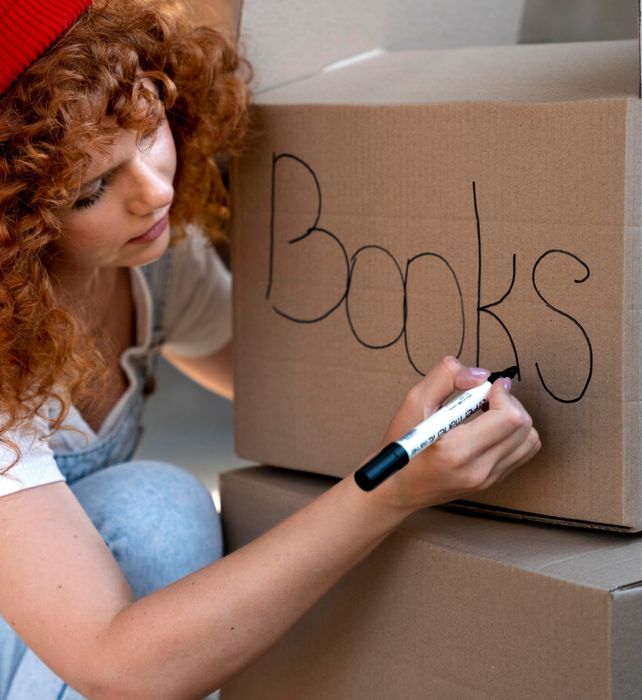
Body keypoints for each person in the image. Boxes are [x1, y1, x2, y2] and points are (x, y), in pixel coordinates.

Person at [0, 0, 541, 697]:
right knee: (157, 513)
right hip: (53, 642)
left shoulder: (156, 265)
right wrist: (388, 494)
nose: (155, 190)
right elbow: (117, 666)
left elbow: (291, 384)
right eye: (93, 188)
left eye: (148, 124)